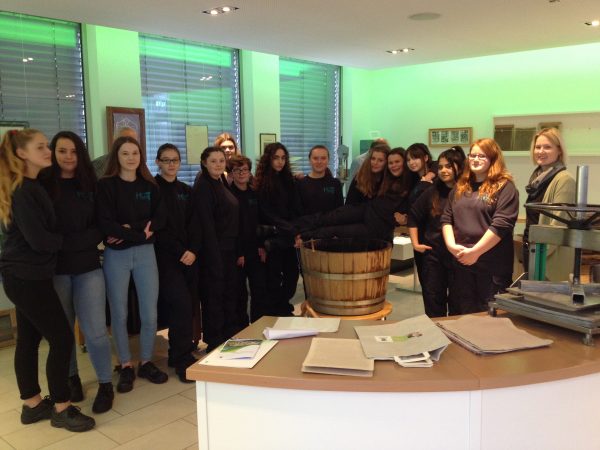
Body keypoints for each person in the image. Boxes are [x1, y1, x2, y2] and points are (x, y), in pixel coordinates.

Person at [0, 129, 95, 432]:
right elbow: (40, 240)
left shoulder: (31, 185)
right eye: (40, 146)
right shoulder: (24, 190)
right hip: (26, 277)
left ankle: (32, 404)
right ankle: (62, 408)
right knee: (62, 338)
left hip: (28, 275)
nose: (48, 151)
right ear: (21, 154)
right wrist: (73, 240)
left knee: (28, 340)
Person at [41, 131, 114, 413]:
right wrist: (71, 242)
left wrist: (68, 242)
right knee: (63, 332)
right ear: (53, 153)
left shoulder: (91, 184)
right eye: (62, 151)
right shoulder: (43, 184)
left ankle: (105, 384)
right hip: (57, 270)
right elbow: (43, 231)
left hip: (88, 268)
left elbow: (100, 225)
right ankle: (72, 378)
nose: (68, 156)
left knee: (95, 331)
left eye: (73, 151)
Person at [97, 136, 168, 393]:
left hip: (146, 254)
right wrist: (139, 232)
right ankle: (125, 364)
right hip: (116, 256)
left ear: (141, 156)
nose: (130, 158)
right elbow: (106, 223)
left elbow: (159, 219)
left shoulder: (150, 186)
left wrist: (129, 229)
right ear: (116, 156)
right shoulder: (105, 186)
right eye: (125, 153)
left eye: (135, 153)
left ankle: (146, 361)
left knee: (150, 313)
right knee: (119, 313)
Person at [441, 138, 519, 313]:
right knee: (462, 315)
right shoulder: (460, 187)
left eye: (482, 156)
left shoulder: (505, 187)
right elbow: (446, 219)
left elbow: (501, 224)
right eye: (472, 155)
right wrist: (451, 246)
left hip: (491, 267)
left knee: (489, 318)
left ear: (493, 158)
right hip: (461, 262)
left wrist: (475, 252)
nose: (475, 159)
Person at [153, 143, 201, 382]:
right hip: (166, 258)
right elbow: (158, 228)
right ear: (157, 162)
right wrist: (181, 251)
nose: (171, 164)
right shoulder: (152, 189)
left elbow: (195, 223)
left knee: (188, 306)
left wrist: (193, 250)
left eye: (175, 160)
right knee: (179, 305)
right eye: (166, 160)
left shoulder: (185, 190)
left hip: (189, 257)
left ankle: (178, 352)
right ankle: (182, 359)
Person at [297, 147, 409, 244]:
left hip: (375, 230)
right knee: (328, 220)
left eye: (380, 160)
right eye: (373, 159)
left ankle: (302, 232)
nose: (375, 162)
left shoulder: (395, 183)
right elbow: (348, 207)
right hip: (360, 219)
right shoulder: (361, 177)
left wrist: (404, 218)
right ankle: (299, 231)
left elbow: (402, 209)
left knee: (331, 228)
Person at [408, 148, 466, 317]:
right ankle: (436, 333)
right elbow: (413, 215)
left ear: (459, 166)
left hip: (459, 256)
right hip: (434, 256)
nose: (443, 170)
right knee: (433, 302)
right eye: (440, 167)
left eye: (448, 166)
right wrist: (415, 244)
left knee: (458, 303)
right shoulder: (432, 192)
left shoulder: (467, 192)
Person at [193, 146, 240, 352]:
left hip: (227, 249)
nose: (218, 164)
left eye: (221, 161)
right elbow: (206, 225)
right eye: (213, 161)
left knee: (227, 294)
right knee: (213, 297)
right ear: (204, 163)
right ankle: (215, 341)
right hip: (213, 251)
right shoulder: (203, 186)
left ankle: (226, 336)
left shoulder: (220, 181)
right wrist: (214, 257)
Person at [254, 142, 302, 317]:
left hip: (288, 236)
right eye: (276, 158)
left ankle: (283, 306)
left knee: (292, 275)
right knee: (273, 278)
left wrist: (294, 229)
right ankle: (278, 311)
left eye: (283, 158)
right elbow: (266, 213)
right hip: (273, 237)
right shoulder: (261, 183)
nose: (280, 162)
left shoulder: (289, 180)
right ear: (269, 159)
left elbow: (295, 208)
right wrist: (289, 228)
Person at [523, 128, 575, 280]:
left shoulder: (564, 180)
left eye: (547, 147)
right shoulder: (537, 179)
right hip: (533, 250)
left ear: (559, 151)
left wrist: (538, 256)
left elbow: (558, 227)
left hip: (548, 258)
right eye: (537, 147)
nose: (541, 151)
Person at [229, 154, 268, 323]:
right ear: (231, 173)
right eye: (237, 170)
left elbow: (259, 222)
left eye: (245, 169)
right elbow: (232, 228)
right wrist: (239, 253)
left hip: (255, 250)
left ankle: (257, 324)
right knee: (240, 293)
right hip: (238, 252)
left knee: (259, 290)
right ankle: (242, 327)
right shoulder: (229, 196)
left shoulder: (254, 194)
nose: (241, 173)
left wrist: (262, 246)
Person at [297, 145, 343, 215]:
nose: (319, 162)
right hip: (308, 222)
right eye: (315, 158)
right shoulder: (300, 184)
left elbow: (340, 211)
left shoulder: (335, 183)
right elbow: (298, 213)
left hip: (331, 222)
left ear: (328, 160)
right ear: (309, 160)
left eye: (323, 158)